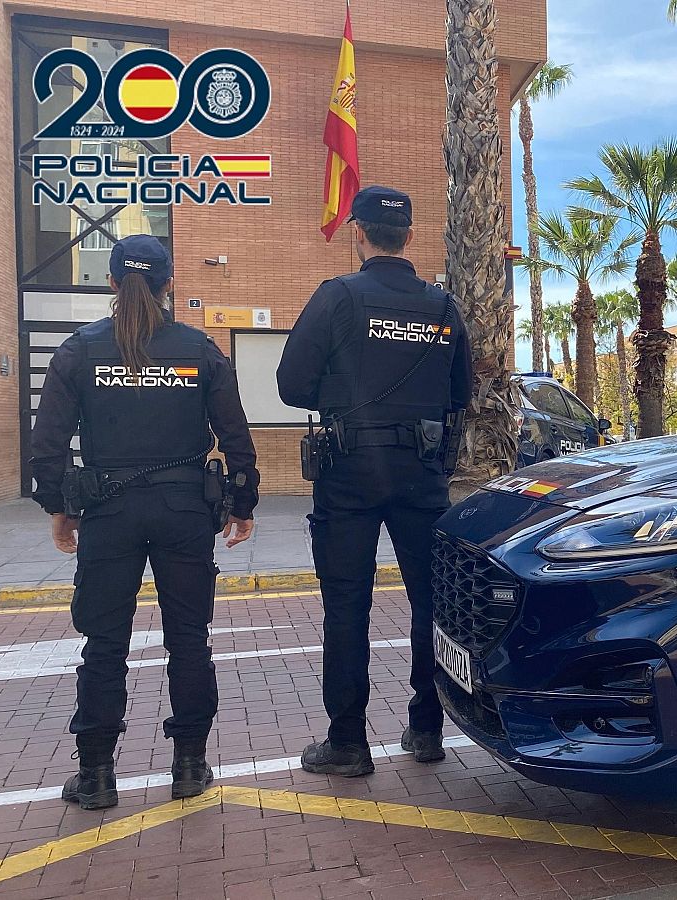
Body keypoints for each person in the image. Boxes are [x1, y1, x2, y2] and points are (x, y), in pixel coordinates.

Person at [30, 235, 259, 810]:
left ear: (110, 283)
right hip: (185, 511)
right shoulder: (200, 350)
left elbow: (48, 442)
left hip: (108, 511)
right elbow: (236, 435)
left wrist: (58, 506)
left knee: (104, 644)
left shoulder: (78, 351)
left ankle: (98, 774)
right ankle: (188, 765)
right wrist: (243, 503)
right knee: (189, 640)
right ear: (170, 284)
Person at [277, 186, 472, 776]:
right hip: (421, 471)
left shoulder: (337, 297)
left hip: (349, 473)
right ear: (410, 236)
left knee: (346, 605)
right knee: (429, 602)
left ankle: (347, 742)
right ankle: (427, 726)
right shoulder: (442, 307)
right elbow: (460, 393)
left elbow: (292, 385)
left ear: (359, 232)